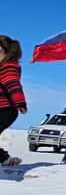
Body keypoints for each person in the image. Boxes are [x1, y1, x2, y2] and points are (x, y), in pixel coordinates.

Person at [0, 36, 27, 167]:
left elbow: (13, 84)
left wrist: (20, 102)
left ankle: (5, 159)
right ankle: (6, 159)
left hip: (5, 110)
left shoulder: (8, 66)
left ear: (6, 52)